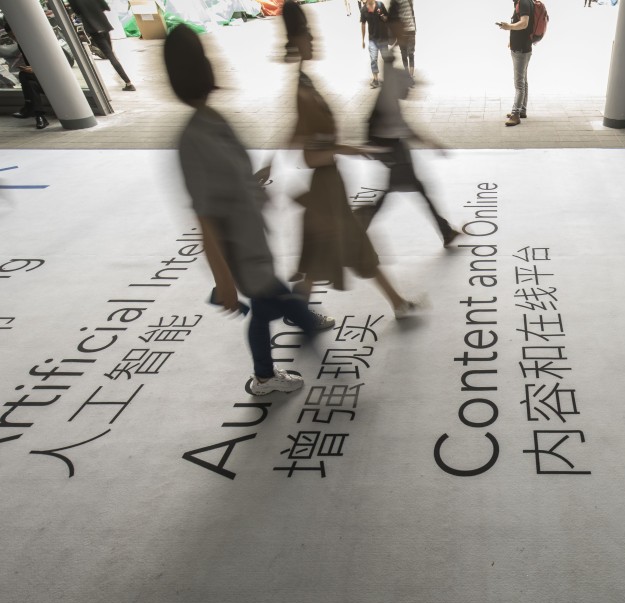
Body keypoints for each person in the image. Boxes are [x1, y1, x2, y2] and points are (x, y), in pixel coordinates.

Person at [164, 24, 318, 396]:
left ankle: (264, 376)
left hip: (253, 242)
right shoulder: (193, 139)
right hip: (242, 254)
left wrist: (255, 181)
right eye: (206, 56)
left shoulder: (212, 121)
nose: (217, 62)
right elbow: (206, 219)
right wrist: (225, 281)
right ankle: (277, 366)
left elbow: (231, 183)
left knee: (266, 311)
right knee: (293, 312)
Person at [283, 8, 422, 319]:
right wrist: (351, 148)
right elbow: (309, 154)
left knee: (334, 250)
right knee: (346, 248)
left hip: (330, 184)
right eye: (308, 36)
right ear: (297, 40)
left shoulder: (305, 83)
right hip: (324, 187)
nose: (314, 40)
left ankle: (397, 303)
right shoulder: (302, 90)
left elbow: (298, 134)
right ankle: (397, 303)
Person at [364, 64, 460, 248]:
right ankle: (357, 230)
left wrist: (433, 144)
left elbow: (406, 130)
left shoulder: (391, 100)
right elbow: (408, 131)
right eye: (407, 87)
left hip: (395, 149)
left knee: (405, 191)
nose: (410, 92)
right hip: (393, 151)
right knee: (411, 190)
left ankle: (445, 231)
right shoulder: (389, 101)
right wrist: (434, 144)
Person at [69, 0, 135, 91]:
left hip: (93, 28)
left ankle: (128, 83)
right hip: (103, 24)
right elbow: (105, 7)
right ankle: (122, 75)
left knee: (110, 55)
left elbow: (77, 11)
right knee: (111, 53)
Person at [497, 0, 534, 127]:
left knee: (519, 84)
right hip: (523, 47)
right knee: (523, 81)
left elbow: (524, 23)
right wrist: (512, 39)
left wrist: (508, 27)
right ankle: (522, 110)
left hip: (521, 50)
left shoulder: (523, 2)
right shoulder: (525, 1)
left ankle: (515, 114)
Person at [360, 0, 390, 88]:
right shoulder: (363, 10)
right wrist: (362, 40)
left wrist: (383, 16)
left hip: (383, 38)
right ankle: (376, 79)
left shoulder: (380, 5)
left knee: (386, 59)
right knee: (373, 59)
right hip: (372, 39)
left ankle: (388, 79)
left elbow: (387, 18)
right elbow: (363, 24)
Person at [387, 0, 416, 84]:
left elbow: (412, 14)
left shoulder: (409, 1)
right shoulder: (394, 3)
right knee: (404, 55)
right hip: (402, 33)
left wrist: (414, 28)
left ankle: (410, 76)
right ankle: (407, 76)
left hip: (411, 31)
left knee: (410, 54)